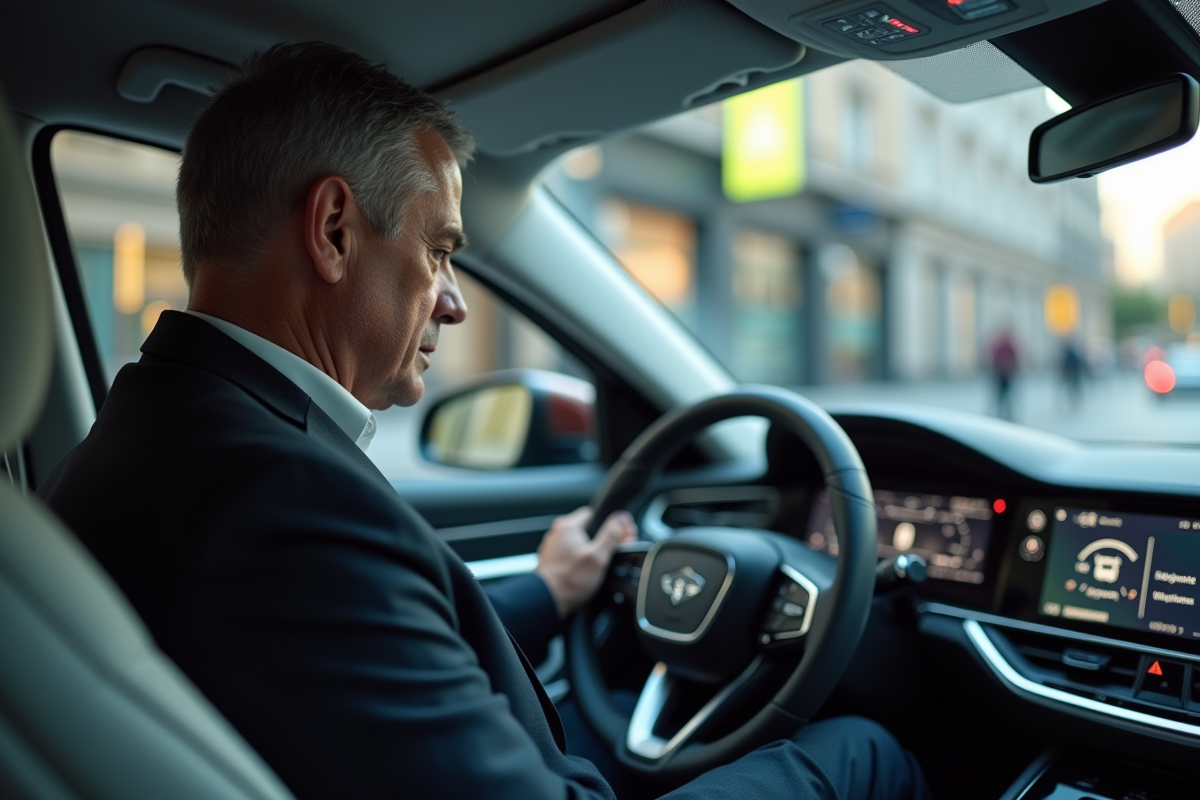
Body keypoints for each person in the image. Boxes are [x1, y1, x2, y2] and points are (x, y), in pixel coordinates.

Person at [39, 43, 929, 800]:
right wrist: (826, 768)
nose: (455, 304)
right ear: (336, 230)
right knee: (863, 753)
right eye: (441, 250)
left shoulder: (144, 433)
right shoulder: (284, 500)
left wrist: (548, 591)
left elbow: (368, 638)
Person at [988, 328, 1019, 421]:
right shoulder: (1003, 345)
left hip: (1005, 374)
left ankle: (1004, 415)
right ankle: (1001, 415)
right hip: (1001, 374)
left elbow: (1014, 358)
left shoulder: (1006, 345)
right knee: (1001, 396)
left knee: (1004, 396)